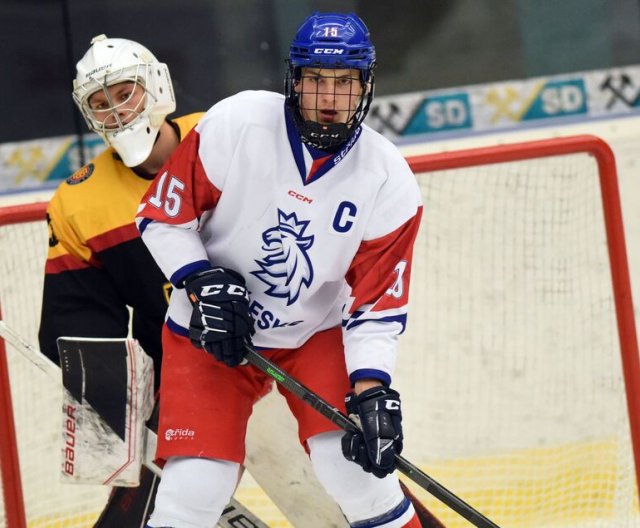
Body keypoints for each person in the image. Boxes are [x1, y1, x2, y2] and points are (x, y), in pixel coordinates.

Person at [137, 11, 424, 528]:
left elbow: (376, 305)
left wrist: (372, 391)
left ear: (366, 88)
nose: (330, 98)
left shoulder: (388, 179)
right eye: (316, 79)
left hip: (314, 331)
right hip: (213, 330)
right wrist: (200, 282)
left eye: (345, 82)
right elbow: (161, 218)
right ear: (294, 81)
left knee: (358, 476)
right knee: (195, 488)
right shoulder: (236, 124)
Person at [38, 34, 203, 526]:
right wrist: (115, 401)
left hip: (282, 352)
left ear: (156, 85)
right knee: (134, 517)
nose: (115, 110)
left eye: (124, 92)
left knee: (355, 484)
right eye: (99, 102)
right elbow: (78, 317)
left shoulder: (223, 135)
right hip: (184, 378)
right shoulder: (78, 202)